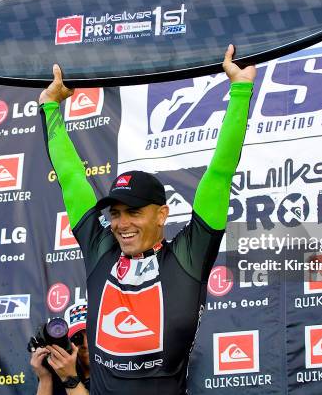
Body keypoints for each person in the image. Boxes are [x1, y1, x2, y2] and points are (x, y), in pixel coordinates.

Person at [39, 44, 255, 395]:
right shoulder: (101, 250)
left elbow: (219, 172)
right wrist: (50, 106)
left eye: (134, 212)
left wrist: (240, 89)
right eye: (115, 214)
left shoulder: (188, 256)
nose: (122, 224)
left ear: (162, 214)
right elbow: (71, 178)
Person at [30, 302, 90, 395]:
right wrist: (45, 377)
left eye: (91, 336)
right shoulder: (60, 374)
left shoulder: (114, 374)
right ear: (67, 343)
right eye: (77, 338)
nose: (85, 344)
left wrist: (70, 378)